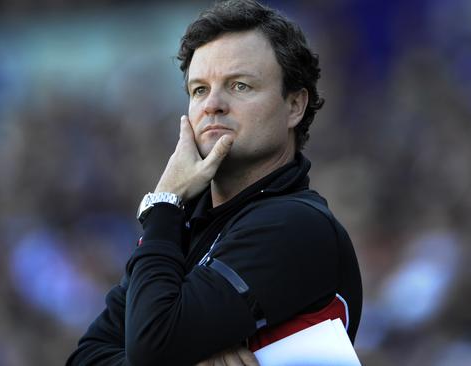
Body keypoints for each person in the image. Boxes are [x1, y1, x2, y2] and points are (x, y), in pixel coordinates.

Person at [67, 0, 362, 365]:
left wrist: (164, 202)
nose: (213, 105)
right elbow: (85, 357)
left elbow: (151, 346)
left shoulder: (296, 224)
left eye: (239, 86)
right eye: (199, 90)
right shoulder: (184, 227)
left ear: (294, 106)